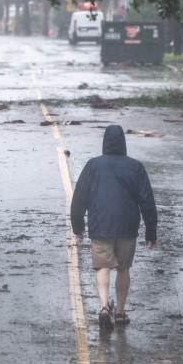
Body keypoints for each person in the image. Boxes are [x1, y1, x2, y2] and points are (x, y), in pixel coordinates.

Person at [70, 125, 159, 327]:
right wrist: (151, 233)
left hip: (101, 224)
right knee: (123, 268)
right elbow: (147, 202)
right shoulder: (136, 167)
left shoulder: (93, 165)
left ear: (105, 142)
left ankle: (103, 307)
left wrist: (77, 225)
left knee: (102, 266)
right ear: (123, 143)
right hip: (127, 226)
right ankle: (119, 312)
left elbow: (80, 197)